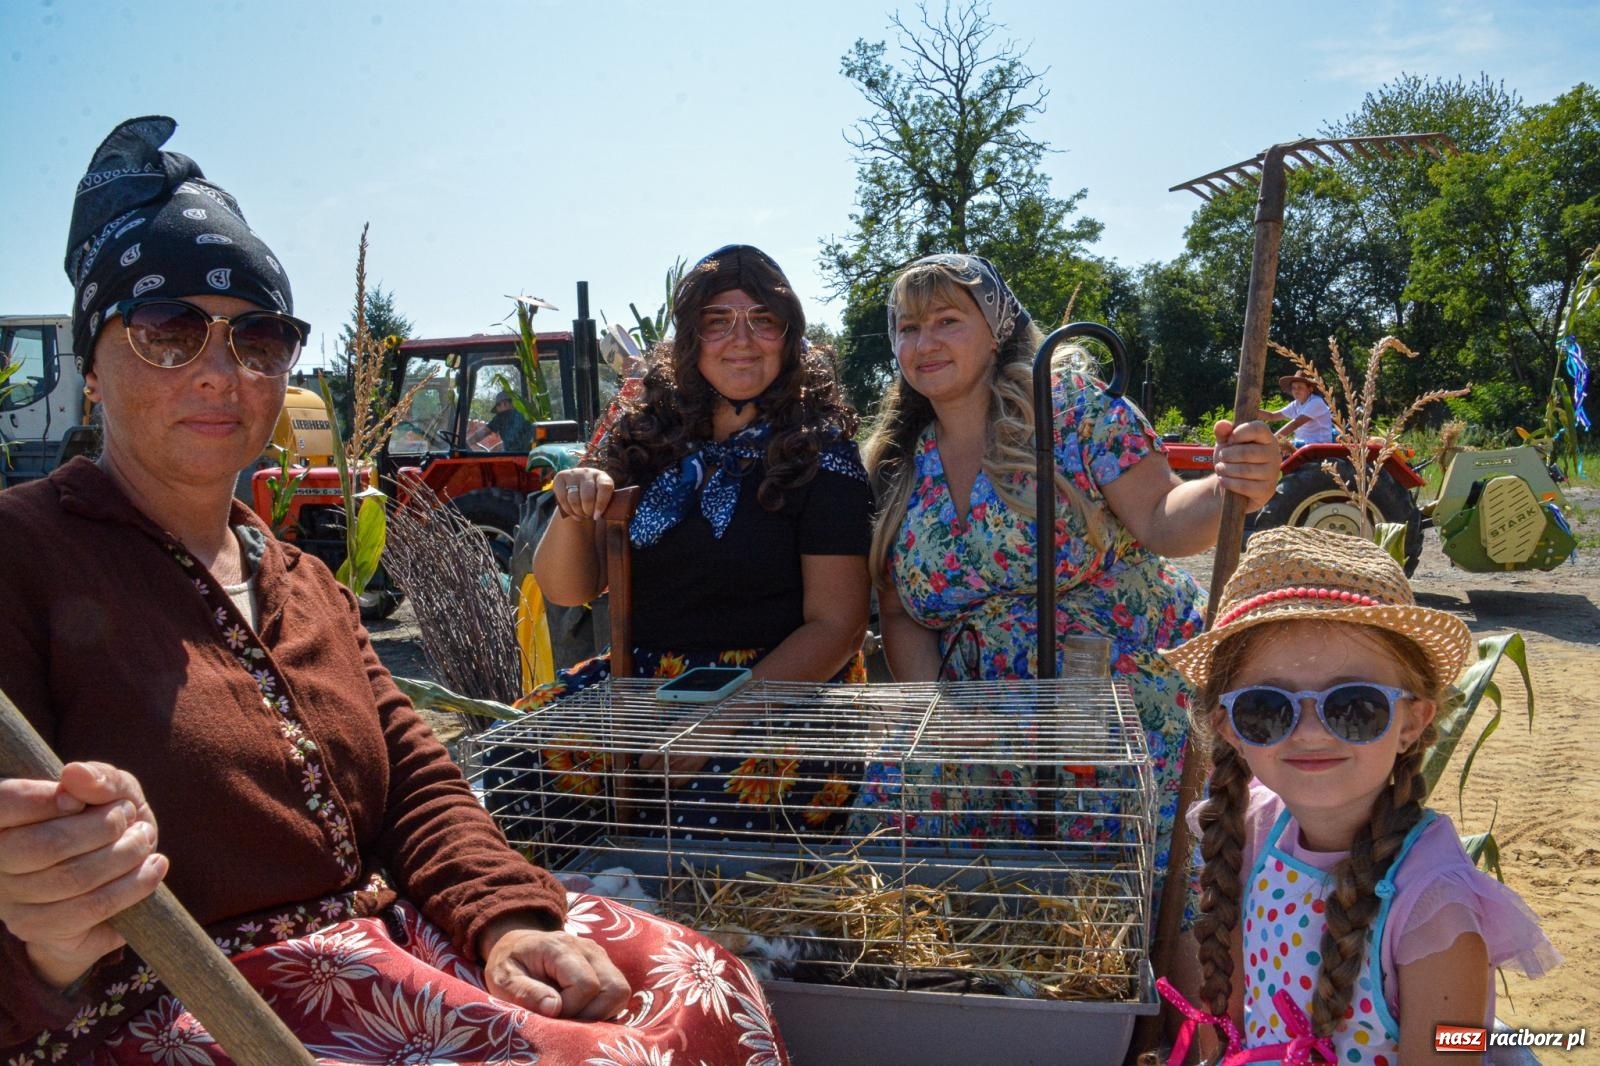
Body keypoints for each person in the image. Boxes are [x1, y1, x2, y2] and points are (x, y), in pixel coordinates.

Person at [0, 116, 786, 1065]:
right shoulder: (23, 556)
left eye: (259, 338)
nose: (220, 372)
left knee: (706, 984)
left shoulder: (302, 582)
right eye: (168, 331)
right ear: (92, 368)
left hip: (383, 946)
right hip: (187, 1006)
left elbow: (417, 784)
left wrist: (505, 921)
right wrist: (47, 936)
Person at [856, 253, 1279, 883]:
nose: (925, 343)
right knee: (917, 854)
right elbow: (901, 612)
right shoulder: (898, 463)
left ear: (996, 330)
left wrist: (1229, 486)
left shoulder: (1071, 410)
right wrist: (942, 720)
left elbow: (1162, 517)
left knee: (1120, 900)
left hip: (1115, 710)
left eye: (947, 320)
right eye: (908, 328)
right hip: (982, 729)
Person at [488, 244, 872, 838]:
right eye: (718, 321)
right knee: (515, 756)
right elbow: (568, 590)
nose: (741, 340)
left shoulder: (821, 455)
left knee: (703, 809)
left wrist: (716, 722)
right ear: (691, 337)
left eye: (763, 320)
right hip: (646, 686)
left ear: (790, 335)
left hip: (780, 691)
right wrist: (574, 506)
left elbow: (838, 627)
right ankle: (589, 898)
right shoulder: (645, 436)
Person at [1156, 527, 1559, 1064]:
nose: (1309, 733)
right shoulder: (1250, 827)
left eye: (1354, 707)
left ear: (1412, 722)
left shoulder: (1433, 911)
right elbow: (1231, 1018)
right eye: (1266, 708)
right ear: (1229, 728)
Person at [1254, 370, 1335, 446]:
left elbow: (1295, 424)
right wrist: (1252, 410)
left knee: (1277, 447)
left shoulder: (1316, 402)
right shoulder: (1296, 404)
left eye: (1300, 387)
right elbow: (1272, 416)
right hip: (1303, 444)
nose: (1296, 391)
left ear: (1310, 389)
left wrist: (1271, 441)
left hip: (1317, 446)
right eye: (1293, 388)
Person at [469, 389, 536, 453]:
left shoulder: (502, 417)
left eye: (498, 406)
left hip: (512, 456)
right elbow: (513, 442)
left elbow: (483, 433)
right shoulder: (527, 415)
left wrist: (467, 443)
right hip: (528, 454)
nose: (498, 410)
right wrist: (491, 451)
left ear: (504, 403)